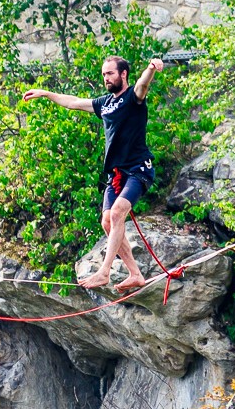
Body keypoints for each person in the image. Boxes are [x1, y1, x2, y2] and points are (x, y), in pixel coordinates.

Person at [21, 57, 167, 292]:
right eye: (103, 75)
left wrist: (150, 69)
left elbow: (142, 86)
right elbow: (73, 102)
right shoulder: (105, 103)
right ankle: (135, 273)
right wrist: (46, 93)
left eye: (110, 74)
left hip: (139, 168)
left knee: (119, 212)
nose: (106, 78)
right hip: (117, 173)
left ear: (123, 74)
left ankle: (104, 272)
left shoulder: (133, 98)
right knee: (107, 222)